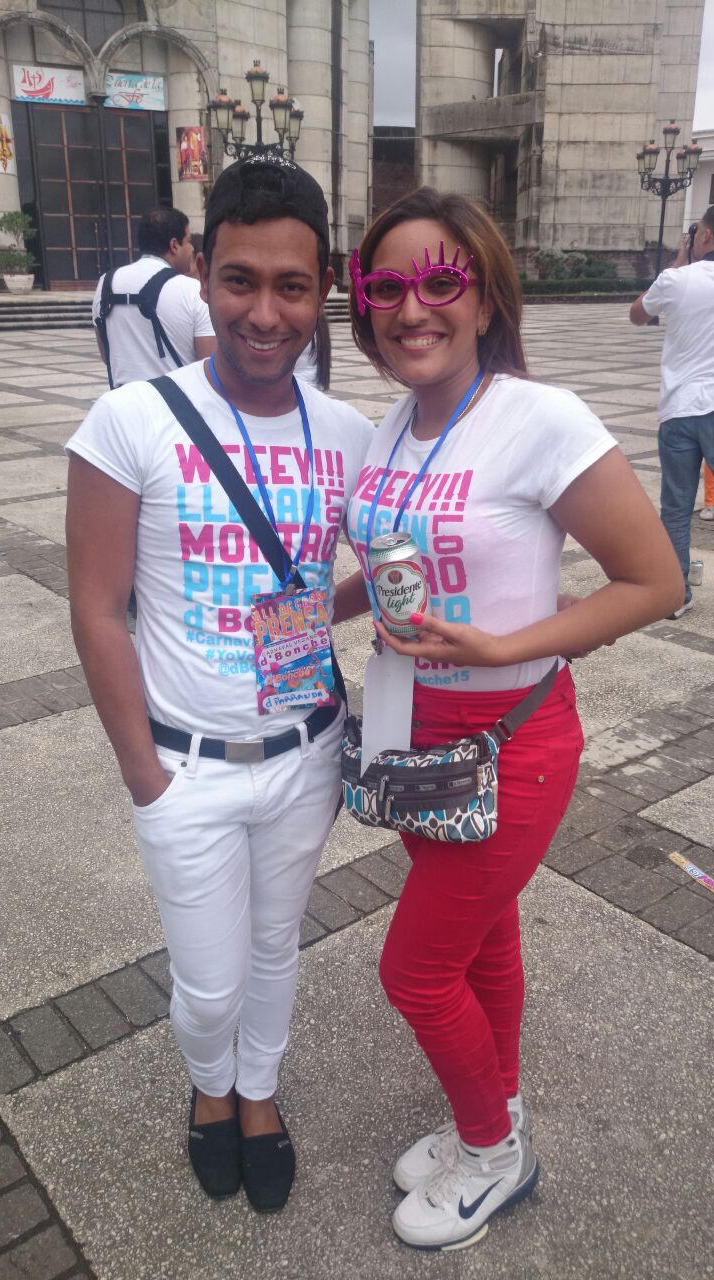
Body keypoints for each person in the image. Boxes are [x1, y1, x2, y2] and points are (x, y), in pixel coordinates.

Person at [334, 188, 683, 1252]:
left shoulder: (542, 418)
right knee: (480, 936)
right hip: (410, 729)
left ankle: (494, 1156)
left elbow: (657, 581)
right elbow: (392, 568)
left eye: (440, 280)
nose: (412, 307)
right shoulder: (394, 426)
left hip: (510, 735)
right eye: (386, 285)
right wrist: (300, 614)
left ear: (484, 296)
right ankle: (499, 1106)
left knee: (414, 969)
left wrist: (503, 645)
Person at [66, 153, 373, 1211]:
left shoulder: (348, 434)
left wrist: (331, 612)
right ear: (203, 273)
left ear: (323, 287)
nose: (264, 313)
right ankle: (210, 1085)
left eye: (291, 286)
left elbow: (385, 571)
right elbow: (98, 608)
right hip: (184, 767)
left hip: (306, 753)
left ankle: (259, 1093)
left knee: (277, 945)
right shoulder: (132, 421)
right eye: (239, 280)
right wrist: (144, 776)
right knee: (207, 982)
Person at [630, 206, 714, 617]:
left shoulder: (676, 279)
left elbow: (638, 315)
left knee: (677, 509)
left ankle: (678, 596)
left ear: (705, 235)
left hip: (680, 409)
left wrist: (680, 260)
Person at [92, 206, 216, 387]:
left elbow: (107, 355)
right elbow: (210, 366)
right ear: (174, 245)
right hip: (177, 401)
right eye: (188, 241)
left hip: (122, 400)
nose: (191, 249)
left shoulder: (105, 284)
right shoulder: (193, 291)